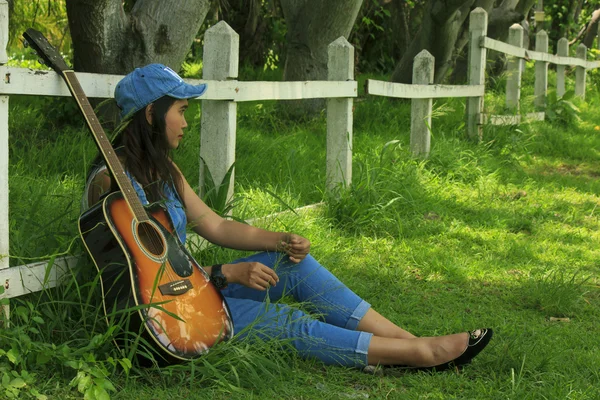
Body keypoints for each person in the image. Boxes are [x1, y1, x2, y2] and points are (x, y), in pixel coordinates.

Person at [82, 63, 493, 371]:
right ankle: (421, 354)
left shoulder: (166, 171)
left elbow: (216, 224)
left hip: (200, 289)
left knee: (293, 263)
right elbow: (136, 283)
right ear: (152, 114)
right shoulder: (109, 186)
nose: (187, 123)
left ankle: (410, 342)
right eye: (182, 111)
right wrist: (226, 273)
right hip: (169, 317)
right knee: (286, 321)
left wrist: (277, 240)